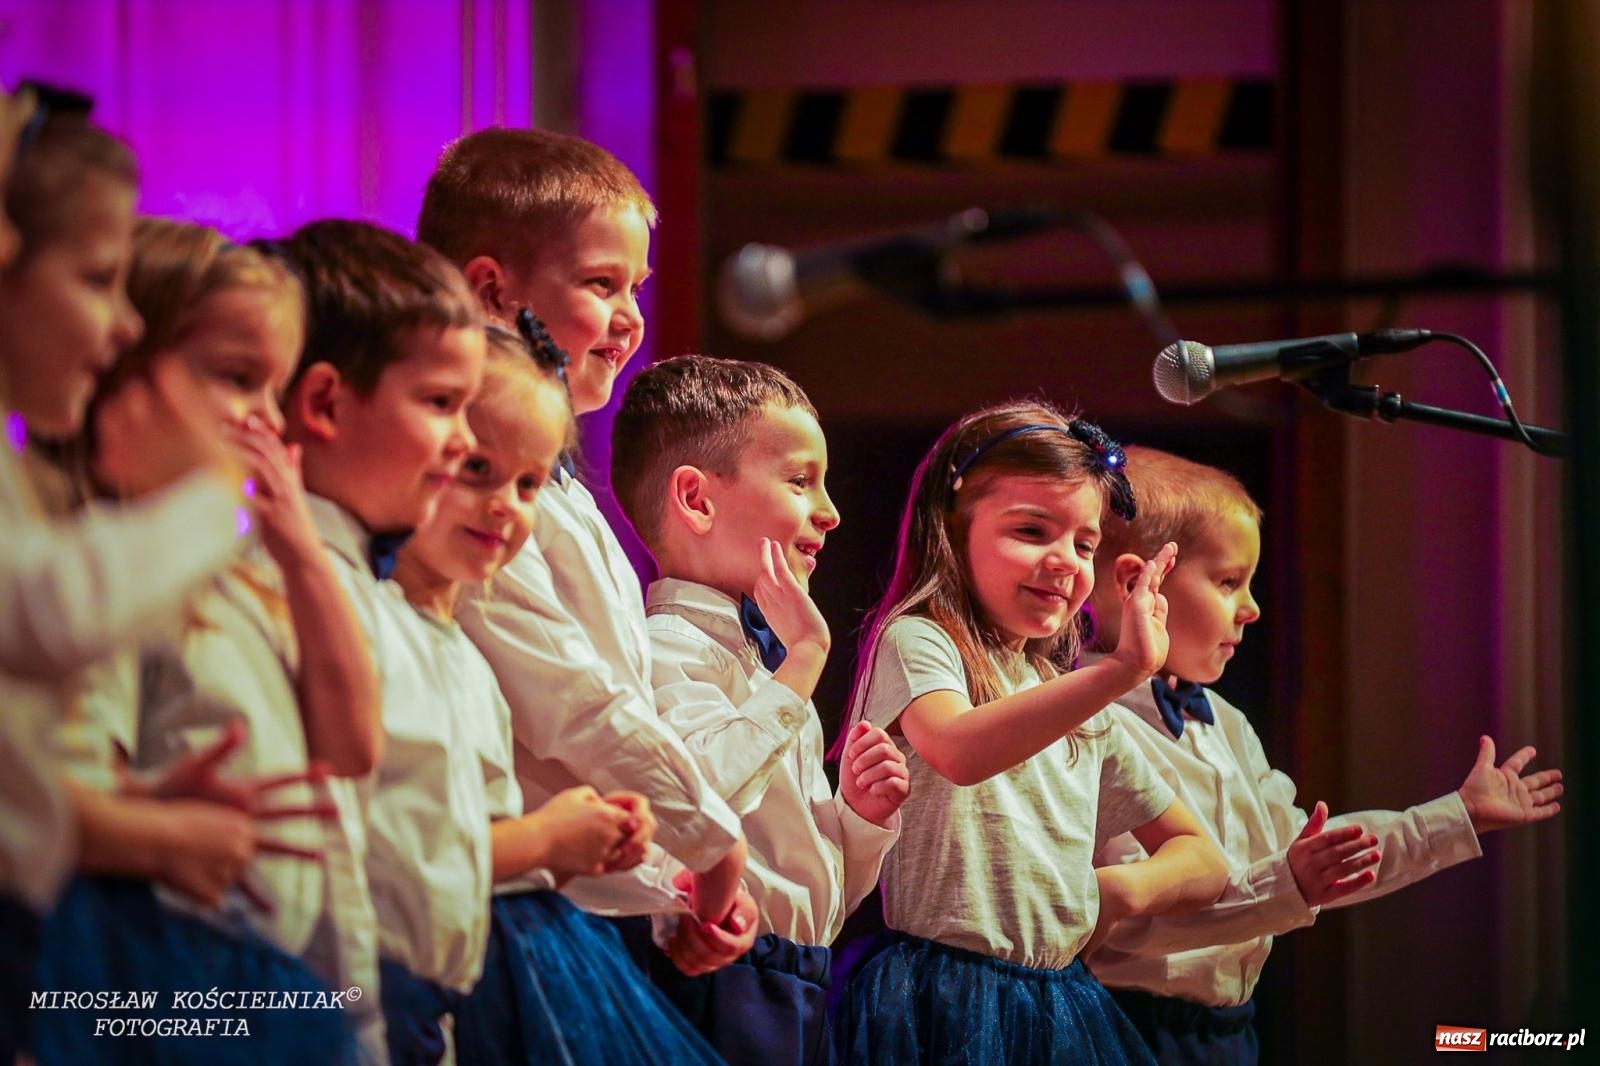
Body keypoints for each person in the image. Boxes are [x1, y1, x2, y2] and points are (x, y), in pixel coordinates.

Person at [1084, 445, 1564, 1065]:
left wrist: (1457, 816)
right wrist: (1289, 882)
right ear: (1134, 583)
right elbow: (1121, 920)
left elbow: (1305, 851)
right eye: (1228, 581)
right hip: (1126, 1030)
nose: (1252, 608)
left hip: (1227, 1033)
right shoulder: (1088, 725)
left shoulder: (1225, 723)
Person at [418, 126, 754, 958]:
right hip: (519, 919)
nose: (631, 320)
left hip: (596, 908)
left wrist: (670, 891)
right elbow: (572, 700)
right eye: (602, 284)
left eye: (637, 287)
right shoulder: (466, 492)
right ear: (491, 292)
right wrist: (712, 841)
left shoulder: (562, 490)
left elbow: (618, 711)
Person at [833, 400, 1228, 1065]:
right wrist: (1125, 668)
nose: (1065, 562)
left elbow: (1204, 860)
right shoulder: (920, 639)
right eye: (1031, 531)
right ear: (952, 529)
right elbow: (958, 749)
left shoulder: (1077, 706)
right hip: (940, 995)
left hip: (1057, 1000)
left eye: (1084, 543)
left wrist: (1120, 890)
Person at [394, 325, 720, 1064]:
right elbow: (388, 853)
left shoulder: (457, 646)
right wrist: (547, 842)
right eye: (476, 468)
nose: (507, 505)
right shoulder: (389, 629)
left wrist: (633, 862)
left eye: (529, 484)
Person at [611, 354, 910, 1063]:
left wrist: (858, 827)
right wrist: (803, 663)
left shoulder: (773, 668)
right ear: (697, 500)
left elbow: (816, 901)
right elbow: (693, 806)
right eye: (801, 481)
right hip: (718, 980)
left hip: (799, 983)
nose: (831, 512)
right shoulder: (663, 650)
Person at [274, 219, 492, 1064]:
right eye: (441, 403)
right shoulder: (291, 588)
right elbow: (331, 850)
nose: (466, 440)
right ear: (325, 403)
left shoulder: (378, 598)